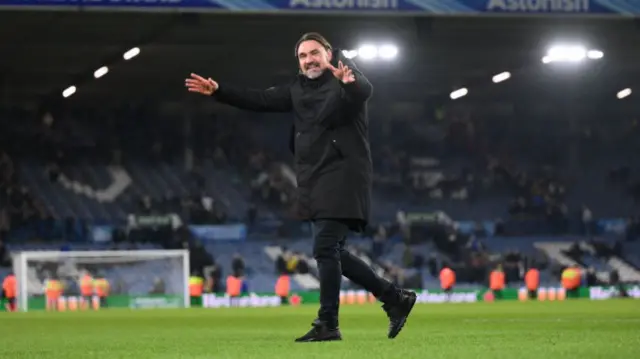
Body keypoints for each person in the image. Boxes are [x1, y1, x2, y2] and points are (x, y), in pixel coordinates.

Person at [185, 32, 416, 342]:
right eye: (303, 56)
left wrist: (352, 80)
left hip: (343, 174)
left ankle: (328, 323)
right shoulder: (296, 90)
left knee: (324, 249)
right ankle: (394, 298)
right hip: (313, 179)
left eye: (314, 53)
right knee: (332, 252)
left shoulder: (343, 80)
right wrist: (219, 91)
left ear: (329, 55)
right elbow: (260, 99)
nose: (309, 59)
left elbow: (364, 90)